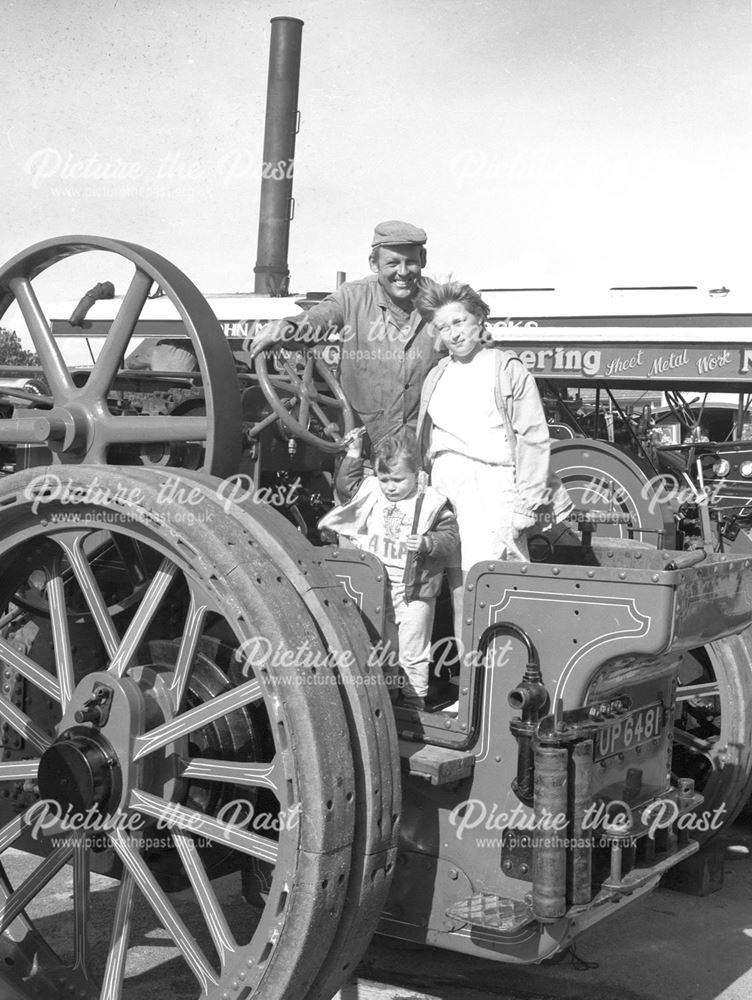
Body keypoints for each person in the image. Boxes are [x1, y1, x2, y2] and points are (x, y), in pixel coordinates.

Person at [415, 281, 572, 636]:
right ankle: (471, 690)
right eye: (442, 327)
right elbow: (428, 438)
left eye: (459, 322)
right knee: (459, 595)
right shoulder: (437, 374)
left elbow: (532, 437)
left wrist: (527, 504)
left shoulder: (506, 369)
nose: (453, 334)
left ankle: (509, 680)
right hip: (447, 491)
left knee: (492, 588)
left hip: (492, 488)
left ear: (479, 319)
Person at [251, 220, 442, 454]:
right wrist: (288, 326)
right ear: (374, 263)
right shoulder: (352, 298)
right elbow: (319, 319)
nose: (402, 272)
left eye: (410, 262)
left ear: (423, 259)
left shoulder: (441, 302)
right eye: (392, 263)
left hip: (421, 449)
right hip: (361, 450)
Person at [318, 427, 459, 711]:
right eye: (384, 479)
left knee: (413, 651)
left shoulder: (431, 502)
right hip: (380, 589)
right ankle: (390, 699)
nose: (390, 486)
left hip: (415, 593)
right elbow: (348, 487)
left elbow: (451, 539)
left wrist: (428, 542)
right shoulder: (373, 492)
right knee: (385, 649)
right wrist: (354, 454)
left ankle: (415, 701)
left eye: (398, 479)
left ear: (417, 475)